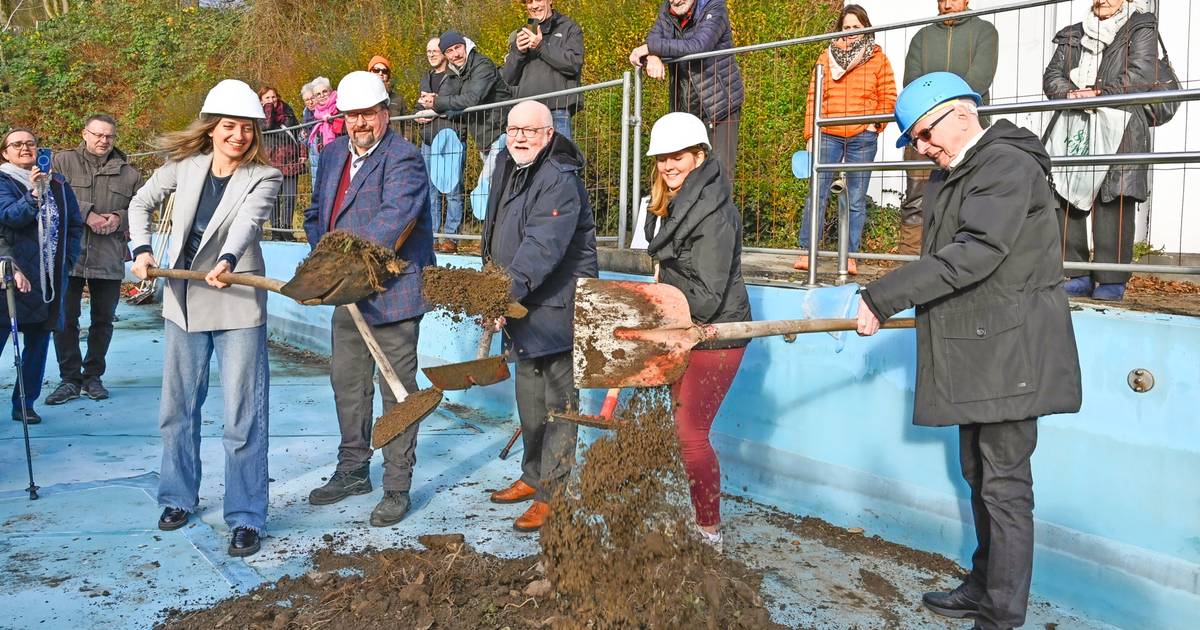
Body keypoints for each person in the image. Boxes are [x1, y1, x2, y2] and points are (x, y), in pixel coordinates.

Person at [855, 73, 1082, 630]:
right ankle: (983, 586)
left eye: (926, 135)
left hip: (1011, 352)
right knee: (978, 474)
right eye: (915, 143)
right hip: (982, 350)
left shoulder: (1004, 165)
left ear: (962, 114)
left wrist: (884, 297)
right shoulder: (959, 171)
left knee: (1004, 487)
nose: (923, 149)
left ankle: (1001, 617)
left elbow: (974, 254)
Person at [127, 79, 281, 557]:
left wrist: (229, 260)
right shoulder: (185, 167)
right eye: (230, 127)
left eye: (247, 129)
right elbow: (139, 203)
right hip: (183, 300)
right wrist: (143, 248)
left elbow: (247, 223)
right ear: (212, 128)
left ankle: (247, 516)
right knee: (177, 410)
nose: (239, 136)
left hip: (234, 300)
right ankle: (177, 497)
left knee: (243, 415)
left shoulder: (265, 176)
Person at [303, 71, 436, 528]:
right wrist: (318, 257)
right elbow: (316, 212)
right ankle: (353, 469)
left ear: (385, 113)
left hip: (391, 294)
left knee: (397, 391)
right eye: (351, 115)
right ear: (341, 118)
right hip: (345, 293)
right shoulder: (333, 152)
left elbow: (391, 225)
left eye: (368, 114)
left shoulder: (405, 159)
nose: (360, 123)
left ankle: (396, 485)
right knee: (348, 383)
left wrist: (340, 267)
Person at [481, 100, 597, 532]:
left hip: (559, 308)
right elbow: (494, 234)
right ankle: (532, 476)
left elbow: (542, 246)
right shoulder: (507, 167)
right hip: (521, 307)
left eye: (530, 130)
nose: (520, 137)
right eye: (513, 129)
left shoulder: (560, 179)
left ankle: (555, 492)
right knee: (530, 406)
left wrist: (500, 293)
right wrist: (487, 285)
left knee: (560, 407)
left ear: (549, 134)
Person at [642, 112, 751, 549]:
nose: (668, 166)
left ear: (699, 155)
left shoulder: (713, 214)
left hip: (714, 334)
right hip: (684, 330)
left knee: (690, 435)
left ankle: (709, 532)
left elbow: (705, 296)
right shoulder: (679, 202)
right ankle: (696, 519)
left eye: (678, 157)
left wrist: (656, 302)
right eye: (663, 158)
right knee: (682, 431)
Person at [1043, 0, 1158, 302]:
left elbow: (1140, 75)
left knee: (1114, 199)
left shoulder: (1141, 27)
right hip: (1074, 123)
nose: (1102, 0)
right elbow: (1052, 75)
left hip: (1123, 127)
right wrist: (1071, 95)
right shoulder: (1072, 34)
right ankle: (1076, 272)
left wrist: (1098, 94)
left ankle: (1111, 277)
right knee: (1066, 194)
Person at [40, 115, 141, 406]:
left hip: (109, 253)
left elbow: (139, 207)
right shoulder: (63, 162)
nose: (103, 140)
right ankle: (69, 379)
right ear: (84, 133)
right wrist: (87, 214)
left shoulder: (129, 173)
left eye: (108, 136)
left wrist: (118, 218)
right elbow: (50, 195)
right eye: (97, 134)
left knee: (103, 320)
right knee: (65, 319)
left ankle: (93, 376)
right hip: (68, 254)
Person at [794, 5, 897, 275]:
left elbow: (888, 95)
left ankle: (850, 255)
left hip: (863, 136)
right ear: (840, 29)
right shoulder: (825, 57)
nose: (851, 32)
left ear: (866, 28)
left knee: (855, 199)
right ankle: (808, 251)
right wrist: (810, 134)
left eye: (856, 27)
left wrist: (877, 125)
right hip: (828, 134)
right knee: (817, 193)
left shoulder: (878, 59)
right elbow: (812, 98)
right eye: (847, 27)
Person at [900, 0, 998, 255]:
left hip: (968, 129)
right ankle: (910, 261)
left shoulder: (984, 31)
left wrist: (947, 116)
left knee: (968, 194)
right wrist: (929, 123)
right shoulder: (922, 37)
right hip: (923, 130)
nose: (947, 4)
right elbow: (912, 82)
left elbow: (979, 78)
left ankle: (960, 258)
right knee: (916, 199)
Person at [0, 127, 84, 424]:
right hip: (9, 279)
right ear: (5, 152)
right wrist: (34, 193)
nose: (25, 148)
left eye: (30, 143)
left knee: (37, 346)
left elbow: (74, 224)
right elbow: (8, 216)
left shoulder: (58, 183)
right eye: (17, 144)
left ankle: (24, 404)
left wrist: (68, 260)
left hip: (48, 280)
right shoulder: (3, 181)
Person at [630, 0, 744, 181]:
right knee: (685, 174)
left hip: (720, 105)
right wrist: (652, 54)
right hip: (685, 107)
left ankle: (718, 210)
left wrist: (651, 48)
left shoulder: (714, 6)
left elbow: (698, 45)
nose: (675, 1)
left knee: (719, 174)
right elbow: (652, 38)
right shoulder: (667, 11)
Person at [422, 30, 512, 250]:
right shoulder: (454, 73)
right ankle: (496, 238)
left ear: (465, 46)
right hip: (483, 137)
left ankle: (495, 239)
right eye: (449, 51)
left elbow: (471, 99)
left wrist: (438, 103)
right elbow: (456, 107)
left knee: (485, 186)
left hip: (501, 130)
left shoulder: (482, 65)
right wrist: (434, 110)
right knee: (499, 189)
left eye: (457, 48)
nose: (455, 54)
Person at [502, 0, 585, 139]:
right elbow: (507, 79)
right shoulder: (522, 34)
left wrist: (541, 46)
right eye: (529, 2)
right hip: (526, 112)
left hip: (556, 110)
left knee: (558, 158)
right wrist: (518, 52)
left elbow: (574, 64)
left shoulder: (569, 28)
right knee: (529, 160)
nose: (534, 6)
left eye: (538, 0)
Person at [417, 37, 467, 254]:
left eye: (435, 50)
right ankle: (434, 235)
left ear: (444, 53)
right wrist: (417, 117)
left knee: (454, 189)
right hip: (428, 140)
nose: (431, 54)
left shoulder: (456, 77)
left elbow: (463, 104)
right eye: (428, 51)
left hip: (451, 139)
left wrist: (436, 107)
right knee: (431, 190)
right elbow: (417, 106)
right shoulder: (425, 78)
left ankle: (451, 237)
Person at [258, 86, 303, 229]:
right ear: (261, 101)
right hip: (271, 161)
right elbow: (266, 126)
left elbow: (299, 133)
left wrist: (302, 153)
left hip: (290, 160)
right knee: (274, 199)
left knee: (290, 197)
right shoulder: (259, 115)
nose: (272, 100)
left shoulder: (288, 111)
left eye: (273, 97)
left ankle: (287, 228)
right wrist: (268, 109)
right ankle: (275, 229)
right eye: (267, 98)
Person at [366, 54, 410, 131]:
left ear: (388, 75)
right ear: (370, 72)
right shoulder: (362, 96)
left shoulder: (398, 99)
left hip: (394, 141)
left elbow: (408, 123)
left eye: (384, 71)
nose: (380, 73)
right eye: (376, 70)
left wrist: (407, 138)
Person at [300, 82, 321, 190]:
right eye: (307, 100)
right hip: (313, 156)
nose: (310, 102)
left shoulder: (325, 111)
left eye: (312, 98)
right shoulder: (305, 115)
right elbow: (303, 138)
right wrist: (302, 136)